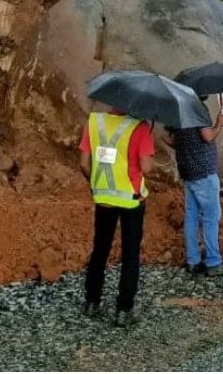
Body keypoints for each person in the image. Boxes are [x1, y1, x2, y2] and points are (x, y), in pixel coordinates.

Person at [78, 106, 156, 327]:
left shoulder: (94, 123)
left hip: (103, 198)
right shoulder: (140, 128)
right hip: (132, 200)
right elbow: (146, 167)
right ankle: (123, 310)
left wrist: (96, 186)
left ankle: (92, 301)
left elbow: (84, 163)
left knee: (100, 249)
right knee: (130, 254)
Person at [162, 109, 223, 276]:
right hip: (204, 172)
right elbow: (208, 136)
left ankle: (193, 261)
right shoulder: (198, 109)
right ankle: (213, 262)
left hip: (188, 173)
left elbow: (170, 140)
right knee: (211, 217)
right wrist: (220, 124)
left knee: (191, 217)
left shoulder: (177, 112)